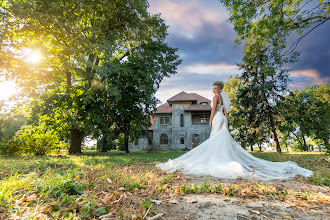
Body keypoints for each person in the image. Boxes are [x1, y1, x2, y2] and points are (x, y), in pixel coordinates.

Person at [155, 81, 314, 181]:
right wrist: (226, 119)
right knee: (221, 139)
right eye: (213, 87)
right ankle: (221, 156)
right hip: (223, 118)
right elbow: (226, 112)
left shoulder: (216, 97)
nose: (214, 89)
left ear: (219, 89)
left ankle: (217, 158)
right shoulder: (224, 98)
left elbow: (213, 111)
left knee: (215, 138)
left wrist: (210, 120)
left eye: (215, 88)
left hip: (217, 118)